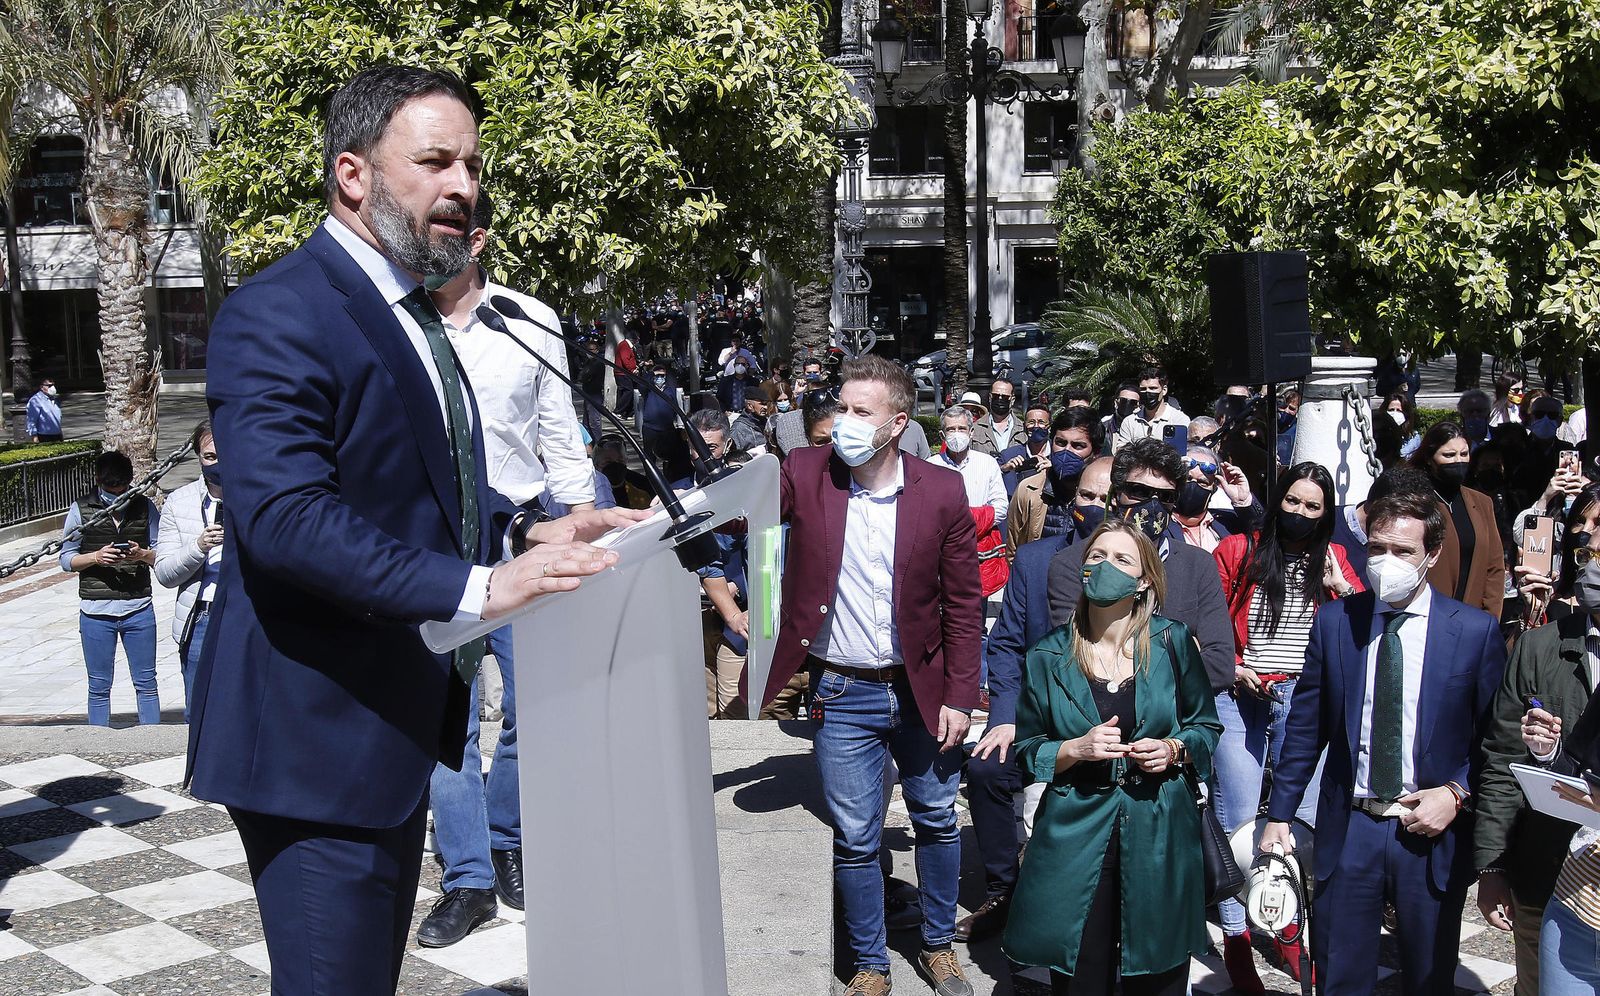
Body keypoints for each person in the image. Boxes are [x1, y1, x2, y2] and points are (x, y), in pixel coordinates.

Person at [186, 66, 645, 995]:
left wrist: (529, 538)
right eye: (434, 161)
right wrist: (483, 589)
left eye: (471, 164)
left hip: (392, 728)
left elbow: (418, 493)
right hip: (316, 745)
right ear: (353, 174)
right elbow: (284, 520)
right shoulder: (282, 311)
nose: (464, 186)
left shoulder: (410, 316)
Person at [408, 190, 598, 946]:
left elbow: (559, 428)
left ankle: (507, 838)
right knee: (445, 718)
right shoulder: (396, 322)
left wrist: (582, 530)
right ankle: (469, 880)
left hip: (525, 534)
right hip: (431, 546)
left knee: (535, 706)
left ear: (478, 239)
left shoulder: (527, 320)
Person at [763, 355, 981, 996]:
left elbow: (964, 605)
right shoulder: (805, 472)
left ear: (897, 424)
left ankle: (938, 945)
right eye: (842, 407)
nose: (845, 421)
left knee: (937, 818)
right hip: (842, 688)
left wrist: (962, 696)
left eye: (862, 412)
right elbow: (743, 517)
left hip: (925, 692)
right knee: (857, 836)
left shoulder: (940, 490)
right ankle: (869, 965)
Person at [1260, 491, 1507, 995]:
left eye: (1403, 551)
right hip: (1352, 825)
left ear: (1431, 555)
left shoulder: (1474, 633)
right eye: (1377, 549)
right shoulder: (1335, 623)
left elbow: (1493, 741)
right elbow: (1307, 727)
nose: (1386, 563)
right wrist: (1279, 815)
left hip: (1430, 827)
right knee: (1339, 971)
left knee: (1427, 972)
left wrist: (1456, 793)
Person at [1004, 519, 1222, 994]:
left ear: (1144, 579)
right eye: (1097, 557)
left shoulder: (1172, 641)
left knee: (1159, 969)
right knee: (1079, 967)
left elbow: (1206, 725)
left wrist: (1173, 748)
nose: (1105, 567)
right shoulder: (1047, 655)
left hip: (1160, 825)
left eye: (1122, 559)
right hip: (1077, 827)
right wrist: (1073, 749)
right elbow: (1026, 749)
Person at [1209, 462, 1365, 992]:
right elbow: (1205, 623)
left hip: (1305, 699)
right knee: (1239, 827)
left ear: (1327, 515)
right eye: (1292, 502)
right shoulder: (1240, 550)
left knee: (1298, 828)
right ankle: (1237, 941)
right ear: (1278, 503)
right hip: (1241, 695)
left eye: (1312, 507)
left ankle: (1289, 925)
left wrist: (1340, 586)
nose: (1299, 513)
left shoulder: (1335, 558)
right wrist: (1231, 665)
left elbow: (1364, 625)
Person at [958, 458, 1114, 944]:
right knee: (986, 770)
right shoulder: (1035, 560)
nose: (1095, 507)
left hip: (1111, 721)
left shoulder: (1143, 567)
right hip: (1039, 715)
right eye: (1086, 497)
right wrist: (1003, 717)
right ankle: (1006, 888)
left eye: (1106, 499)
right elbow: (1005, 645)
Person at [1474, 485, 1600, 993]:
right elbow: (1503, 758)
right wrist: (1493, 863)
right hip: (1547, 881)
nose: (1588, 547)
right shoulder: (1540, 647)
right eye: (1584, 543)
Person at [1047, 438, 1236, 699]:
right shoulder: (1074, 563)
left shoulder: (1199, 566)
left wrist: (1123, 655)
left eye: (1166, 496)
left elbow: (1219, 667)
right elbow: (1078, 655)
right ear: (1115, 497)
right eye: (1140, 491)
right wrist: (1182, 649)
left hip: (1173, 728)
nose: (1153, 504)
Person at [59, 450, 161, 726]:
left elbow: (161, 553)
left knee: (146, 682)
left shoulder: (144, 506)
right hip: (95, 611)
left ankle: (153, 738)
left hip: (138, 607)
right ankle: (98, 742)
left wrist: (141, 554)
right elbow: (66, 558)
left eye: (123, 488)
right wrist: (95, 557)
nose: (117, 494)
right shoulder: (80, 509)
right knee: (99, 686)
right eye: (110, 489)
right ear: (98, 481)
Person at [155, 422, 225, 722]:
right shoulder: (179, 502)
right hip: (202, 617)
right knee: (199, 711)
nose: (217, 463)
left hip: (249, 612)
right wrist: (198, 547)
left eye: (224, 455)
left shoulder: (259, 495)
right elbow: (166, 573)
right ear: (198, 457)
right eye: (209, 457)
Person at [1412, 421, 1506, 617]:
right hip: (1426, 615)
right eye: (1449, 455)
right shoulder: (1414, 502)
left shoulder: (1481, 503)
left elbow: (1494, 566)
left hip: (1471, 617)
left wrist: (1490, 617)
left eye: (1464, 454)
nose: (1458, 460)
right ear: (1430, 458)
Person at [933, 405, 1009, 597]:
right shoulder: (930, 465)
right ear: (943, 436)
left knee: (976, 612)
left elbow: (1001, 507)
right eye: (951, 429)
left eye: (961, 429)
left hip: (978, 553)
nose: (956, 434)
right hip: (942, 553)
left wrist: (967, 520)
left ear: (971, 432)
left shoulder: (987, 464)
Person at [1007, 407, 1102, 554]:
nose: (1067, 451)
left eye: (1078, 446)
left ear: (1095, 453)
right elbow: (1014, 550)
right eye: (1061, 443)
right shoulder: (1028, 490)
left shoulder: (1104, 499)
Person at [1169, 444, 1259, 552]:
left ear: (1214, 489)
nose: (1193, 486)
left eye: (1202, 482)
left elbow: (1267, 539)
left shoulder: (1229, 522)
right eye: (1188, 479)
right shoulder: (1158, 524)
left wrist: (1243, 501)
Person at [1114, 366, 1188, 451]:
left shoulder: (1179, 420)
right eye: (1143, 389)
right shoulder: (1130, 421)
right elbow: (1121, 452)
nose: (1148, 392)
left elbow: (1181, 454)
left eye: (1153, 388)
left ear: (1164, 390)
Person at [997, 402, 1053, 496]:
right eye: (1031, 422)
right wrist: (1004, 469)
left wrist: (1053, 471)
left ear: (1049, 427)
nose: (1036, 426)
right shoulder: (1008, 455)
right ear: (1024, 427)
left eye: (1041, 422)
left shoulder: (1058, 455)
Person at [972, 377, 1026, 457]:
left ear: (1012, 399)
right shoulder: (975, 429)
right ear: (990, 397)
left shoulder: (1023, 429)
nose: (1000, 399)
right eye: (996, 396)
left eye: (1004, 397)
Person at [1383, 391, 1422, 461]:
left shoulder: (1413, 438)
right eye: (1391, 410)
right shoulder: (1378, 435)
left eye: (1399, 410)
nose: (1394, 413)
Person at [26, 374, 62, 442]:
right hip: (44, 436)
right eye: (49, 386)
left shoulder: (55, 399)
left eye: (53, 385)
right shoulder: (36, 400)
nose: (52, 388)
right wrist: (34, 437)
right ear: (42, 387)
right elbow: (31, 421)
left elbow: (57, 419)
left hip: (57, 435)